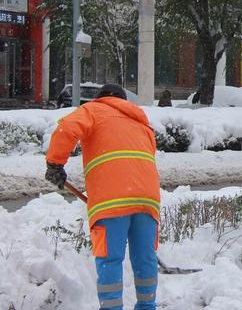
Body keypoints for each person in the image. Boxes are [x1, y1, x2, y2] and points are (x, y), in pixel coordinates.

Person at [45, 84, 160, 310]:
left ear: (100, 98)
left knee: (110, 259)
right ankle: (147, 306)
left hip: (111, 201)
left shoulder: (93, 110)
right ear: (124, 101)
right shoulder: (141, 122)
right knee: (145, 258)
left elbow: (66, 129)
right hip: (147, 199)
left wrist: (54, 164)